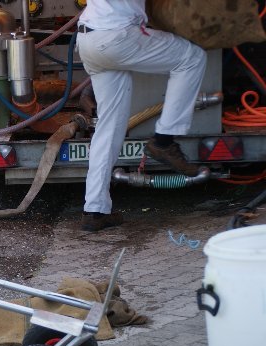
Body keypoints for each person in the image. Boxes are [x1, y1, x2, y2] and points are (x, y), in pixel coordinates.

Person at [76, 0, 207, 232]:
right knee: (192, 58)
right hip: (117, 35)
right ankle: (163, 141)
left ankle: (94, 211)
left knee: (109, 127)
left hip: (88, 38)